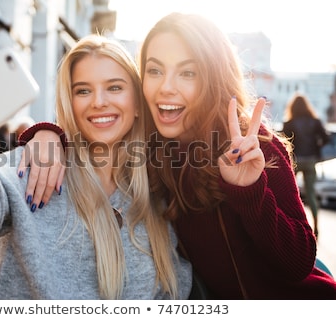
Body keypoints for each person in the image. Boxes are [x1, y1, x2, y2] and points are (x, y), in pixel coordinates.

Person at [18, 13, 336, 299]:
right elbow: (99, 129)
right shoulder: (152, 151)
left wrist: (250, 191)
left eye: (187, 73)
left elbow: (299, 264)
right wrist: (48, 134)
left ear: (212, 78)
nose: (166, 87)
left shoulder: (256, 147)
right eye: (155, 70)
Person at [0, 35, 192, 299]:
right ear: (70, 102)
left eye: (115, 87)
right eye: (83, 91)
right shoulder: (36, 165)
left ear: (138, 102)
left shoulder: (160, 183)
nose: (99, 102)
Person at [282, 93, 330, 238]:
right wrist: (317, 147)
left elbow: (284, 143)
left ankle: (295, 226)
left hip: (295, 161)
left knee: (291, 195)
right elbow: (326, 138)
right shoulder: (315, 122)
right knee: (311, 194)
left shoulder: (289, 123)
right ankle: (316, 228)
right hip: (311, 161)